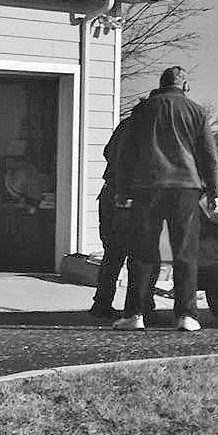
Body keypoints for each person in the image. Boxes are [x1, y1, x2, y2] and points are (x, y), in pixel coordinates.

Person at [111, 65, 218, 332]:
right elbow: (209, 154)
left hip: (147, 186)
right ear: (184, 86)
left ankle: (135, 314)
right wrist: (213, 189)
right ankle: (186, 315)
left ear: (161, 85)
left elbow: (126, 153)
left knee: (143, 251)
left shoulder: (143, 110)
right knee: (185, 252)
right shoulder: (196, 111)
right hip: (186, 187)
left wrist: (122, 189)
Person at [89, 93, 147, 320]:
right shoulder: (144, 132)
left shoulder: (124, 127)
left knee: (112, 252)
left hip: (108, 193)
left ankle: (102, 302)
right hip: (127, 196)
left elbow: (107, 152)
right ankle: (140, 305)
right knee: (136, 252)